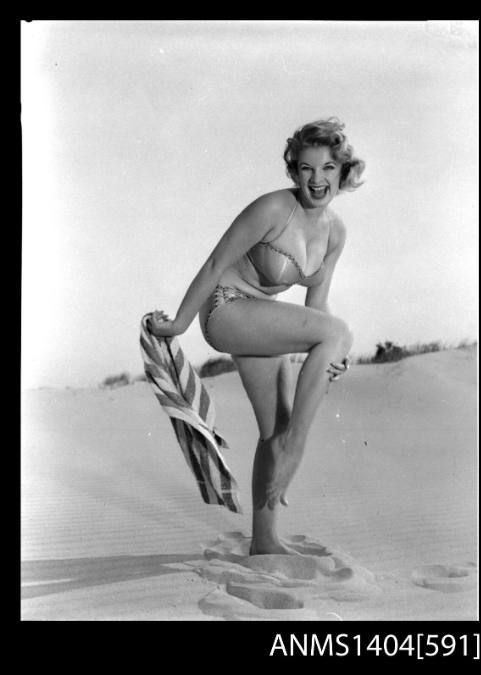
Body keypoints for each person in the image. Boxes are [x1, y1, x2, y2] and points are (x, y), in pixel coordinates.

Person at [149, 117, 365, 555]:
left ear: (343, 171)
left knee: (275, 427)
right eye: (306, 168)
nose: (316, 179)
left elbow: (315, 309)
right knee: (334, 341)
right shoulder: (272, 209)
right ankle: (295, 449)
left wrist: (333, 354)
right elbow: (214, 266)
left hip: (260, 320)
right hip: (226, 309)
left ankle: (264, 541)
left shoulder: (335, 233)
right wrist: (179, 325)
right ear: (293, 170)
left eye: (326, 168)